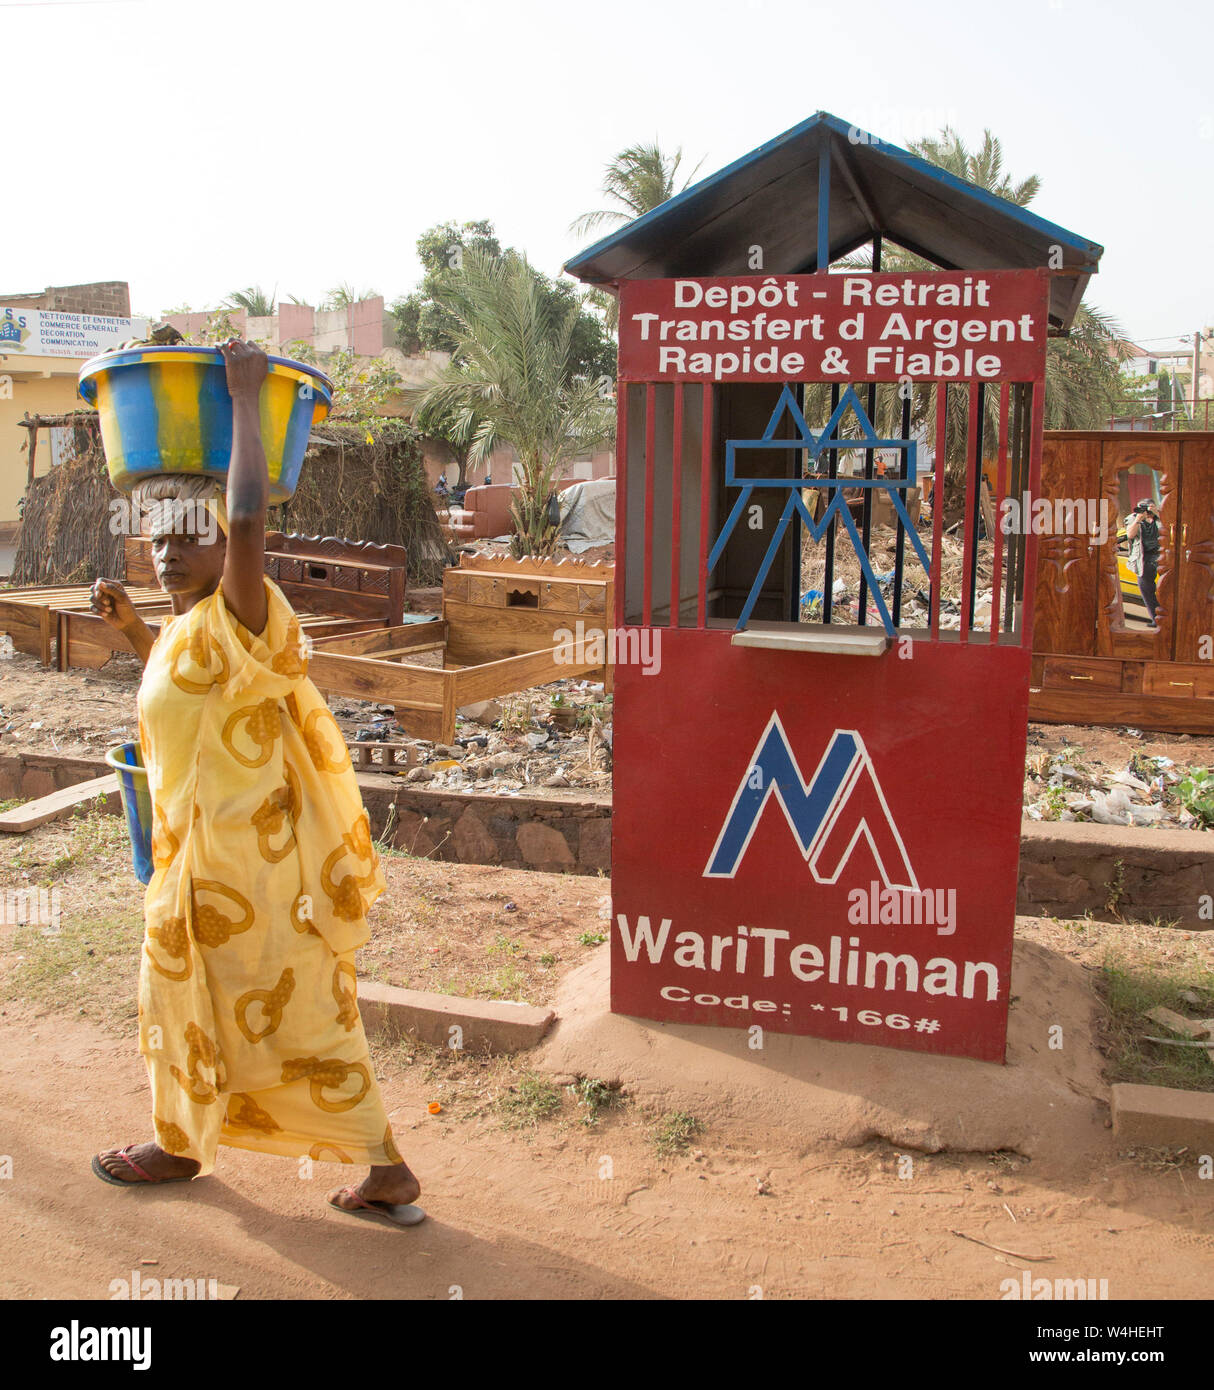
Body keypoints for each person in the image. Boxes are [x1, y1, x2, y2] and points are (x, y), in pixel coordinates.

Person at [88, 339, 423, 1227]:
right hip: (194, 868)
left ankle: (378, 1164)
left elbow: (244, 522)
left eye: (188, 539)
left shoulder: (245, 610)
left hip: (252, 872)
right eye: (158, 539)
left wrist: (241, 399)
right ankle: (185, 1140)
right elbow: (187, 701)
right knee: (184, 999)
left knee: (300, 1014)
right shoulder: (192, 634)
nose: (169, 550)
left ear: (226, 554)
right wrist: (132, 630)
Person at [1125, 497, 1161, 621]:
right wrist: (1138, 520)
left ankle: (1167, 619)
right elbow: (1130, 534)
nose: (1145, 511)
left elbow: (1171, 529)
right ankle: (1156, 620)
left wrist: (1157, 514)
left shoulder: (1161, 518)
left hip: (1161, 557)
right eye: (1142, 508)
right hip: (1143, 558)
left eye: (1148, 508)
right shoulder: (1133, 518)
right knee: (1147, 591)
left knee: (1166, 588)